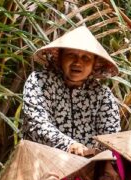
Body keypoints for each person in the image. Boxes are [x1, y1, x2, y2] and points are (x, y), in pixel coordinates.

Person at [22, 25, 120, 157]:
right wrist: (69, 146)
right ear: (60, 58)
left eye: (86, 58)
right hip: (41, 163)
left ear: (94, 64)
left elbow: (111, 138)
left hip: (85, 169)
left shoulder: (102, 95)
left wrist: (100, 159)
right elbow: (35, 123)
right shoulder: (40, 81)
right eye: (71, 55)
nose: (77, 63)